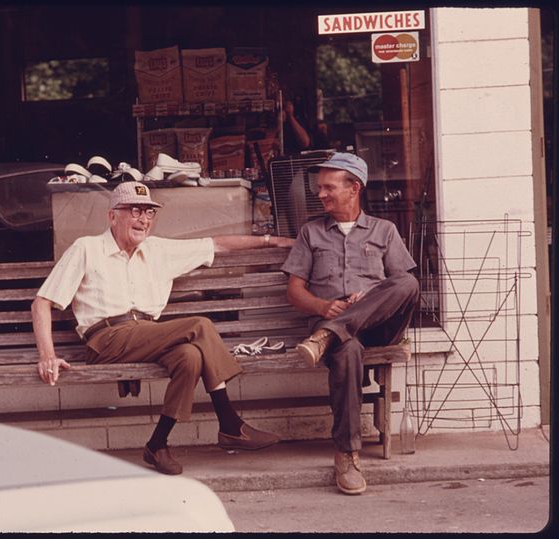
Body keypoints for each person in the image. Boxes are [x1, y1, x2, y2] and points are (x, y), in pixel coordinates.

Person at [32, 181, 294, 475]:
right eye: (134, 211)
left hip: (147, 336)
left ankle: (157, 444)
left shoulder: (158, 250)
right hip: (105, 340)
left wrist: (272, 241)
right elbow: (41, 302)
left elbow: (217, 244)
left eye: (149, 213)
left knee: (190, 357)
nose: (143, 219)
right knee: (200, 325)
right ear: (112, 216)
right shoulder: (87, 248)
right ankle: (230, 422)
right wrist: (48, 355)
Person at [281, 152, 420, 495]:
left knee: (408, 283)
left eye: (328, 187)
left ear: (354, 188)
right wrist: (325, 307)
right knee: (346, 349)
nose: (321, 194)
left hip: (379, 326)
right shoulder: (310, 232)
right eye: (320, 188)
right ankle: (347, 454)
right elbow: (295, 292)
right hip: (339, 333)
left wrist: (369, 296)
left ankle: (328, 335)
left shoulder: (384, 231)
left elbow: (401, 288)